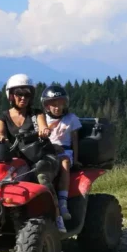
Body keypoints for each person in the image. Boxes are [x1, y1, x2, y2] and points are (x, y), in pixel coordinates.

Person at [40, 84, 82, 233]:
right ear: (47, 106)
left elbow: (75, 140)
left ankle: (63, 201)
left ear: (65, 104)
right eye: (54, 105)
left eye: (60, 104)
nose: (57, 108)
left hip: (65, 151)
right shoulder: (42, 119)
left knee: (64, 163)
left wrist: (75, 159)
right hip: (47, 151)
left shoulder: (71, 119)